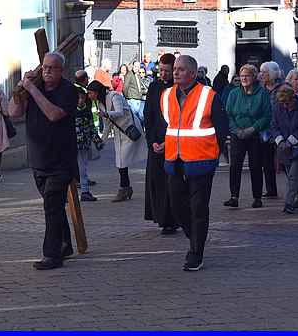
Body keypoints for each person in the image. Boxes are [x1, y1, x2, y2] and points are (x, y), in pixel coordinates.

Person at [8, 52, 78, 270]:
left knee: (51, 205)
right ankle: (65, 244)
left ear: (61, 71)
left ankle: (51, 255)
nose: (46, 71)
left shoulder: (68, 90)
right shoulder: (34, 87)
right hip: (39, 159)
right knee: (54, 207)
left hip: (61, 161)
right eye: (44, 67)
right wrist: (20, 90)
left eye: (52, 68)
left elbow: (54, 114)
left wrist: (32, 89)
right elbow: (13, 112)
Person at [162, 55, 228, 271]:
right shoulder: (167, 94)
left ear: (192, 73)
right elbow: (168, 124)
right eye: (175, 69)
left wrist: (215, 153)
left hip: (201, 160)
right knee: (177, 206)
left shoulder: (209, 95)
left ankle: (196, 252)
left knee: (199, 208)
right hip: (175, 159)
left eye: (181, 69)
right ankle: (196, 237)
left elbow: (221, 128)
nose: (176, 73)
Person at [87, 80, 147, 202]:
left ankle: (124, 189)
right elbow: (107, 125)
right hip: (120, 133)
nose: (89, 96)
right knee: (120, 161)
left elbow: (119, 112)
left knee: (122, 161)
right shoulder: (100, 104)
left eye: (91, 93)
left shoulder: (114, 96)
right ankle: (126, 188)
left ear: (97, 92)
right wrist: (102, 141)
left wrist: (106, 113)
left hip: (128, 129)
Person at [223, 64, 272, 208]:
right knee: (235, 166)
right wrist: (236, 130)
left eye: (247, 75)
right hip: (237, 134)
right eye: (241, 75)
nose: (243, 78)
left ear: (254, 77)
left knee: (256, 166)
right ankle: (234, 196)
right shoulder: (233, 94)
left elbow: (267, 116)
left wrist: (253, 128)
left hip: (254, 134)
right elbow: (228, 114)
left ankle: (257, 197)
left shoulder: (262, 93)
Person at [143, 53, 179, 235]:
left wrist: (168, 141)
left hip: (174, 142)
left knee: (172, 183)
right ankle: (161, 217)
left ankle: (173, 219)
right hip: (156, 142)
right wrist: (152, 141)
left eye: (167, 71)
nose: (163, 75)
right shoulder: (154, 87)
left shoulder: (178, 88)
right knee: (157, 182)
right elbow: (148, 115)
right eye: (161, 71)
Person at [270, 84, 298, 214]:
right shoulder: (278, 107)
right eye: (282, 103)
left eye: (287, 103)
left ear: (293, 98)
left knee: (294, 176)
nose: (285, 106)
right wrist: (280, 140)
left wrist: (290, 140)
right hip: (284, 148)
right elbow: (274, 126)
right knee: (291, 175)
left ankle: (289, 202)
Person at [258, 61, 283, 198]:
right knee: (266, 161)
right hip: (265, 128)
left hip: (280, 128)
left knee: (285, 160)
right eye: (261, 72)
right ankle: (271, 189)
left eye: (265, 72)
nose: (262, 75)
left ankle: (297, 188)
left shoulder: (283, 87)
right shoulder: (260, 88)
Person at [75, 88, 102, 202]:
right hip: (71, 143)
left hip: (83, 143)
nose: (81, 100)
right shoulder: (70, 110)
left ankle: (85, 191)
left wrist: (97, 141)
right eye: (78, 98)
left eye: (83, 98)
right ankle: (67, 193)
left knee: (82, 168)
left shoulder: (87, 111)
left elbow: (91, 127)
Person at [74, 70, 98, 188]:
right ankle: (83, 186)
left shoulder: (71, 89)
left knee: (79, 161)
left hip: (77, 138)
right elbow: (89, 120)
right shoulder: (83, 92)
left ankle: (80, 182)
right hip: (82, 138)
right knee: (82, 162)